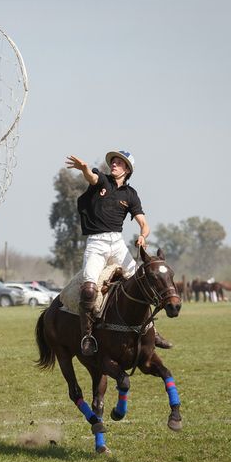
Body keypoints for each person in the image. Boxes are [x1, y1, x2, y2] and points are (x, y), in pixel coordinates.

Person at [65, 151, 172, 355]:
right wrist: (84, 168)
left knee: (141, 282)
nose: (114, 164)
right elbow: (91, 177)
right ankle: (87, 336)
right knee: (88, 289)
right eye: (113, 161)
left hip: (117, 243)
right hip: (96, 243)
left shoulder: (131, 194)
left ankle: (152, 331)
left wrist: (143, 236)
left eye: (119, 162)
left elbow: (144, 223)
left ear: (127, 169)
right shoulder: (102, 180)